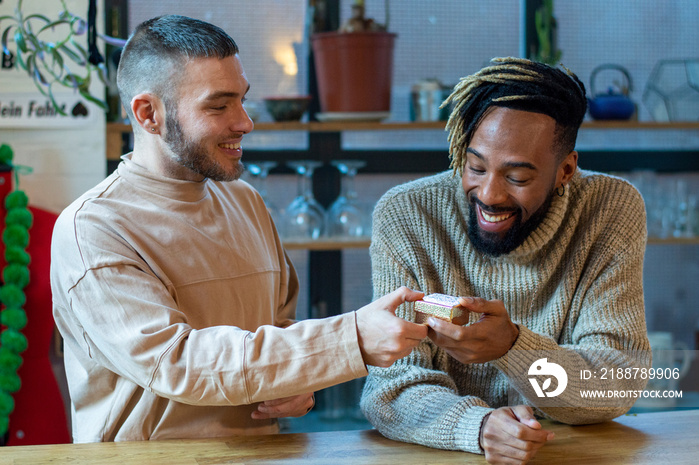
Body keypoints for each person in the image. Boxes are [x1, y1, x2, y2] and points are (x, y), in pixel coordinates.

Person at [50, 15, 427, 443]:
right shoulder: (93, 228)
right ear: (148, 113)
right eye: (219, 105)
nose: (245, 122)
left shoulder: (244, 200)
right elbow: (178, 363)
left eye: (243, 101)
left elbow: (280, 326)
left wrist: (297, 383)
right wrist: (350, 339)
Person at [360, 57, 651, 464]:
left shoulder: (608, 210)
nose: (490, 195)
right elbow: (392, 389)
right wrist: (478, 428)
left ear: (565, 170)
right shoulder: (408, 215)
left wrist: (513, 347)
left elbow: (615, 382)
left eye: (517, 178)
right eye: (475, 166)